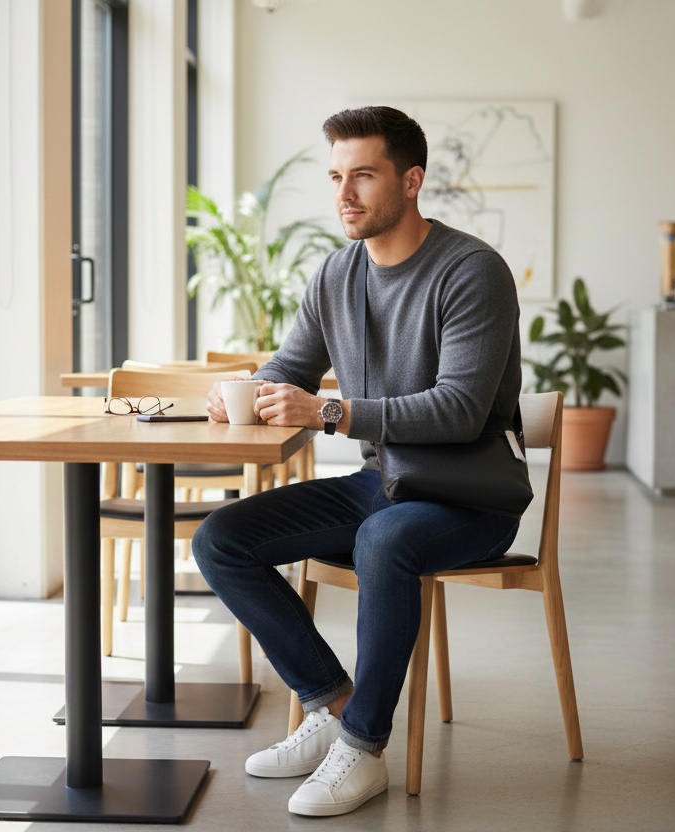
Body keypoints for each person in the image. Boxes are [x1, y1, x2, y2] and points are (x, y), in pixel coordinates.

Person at [192, 106, 525, 818]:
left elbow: (461, 408)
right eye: (337, 176)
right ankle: (333, 705)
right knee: (220, 539)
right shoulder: (337, 275)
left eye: (363, 176)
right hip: (382, 484)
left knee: (385, 538)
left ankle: (364, 749)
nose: (344, 194)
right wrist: (239, 396)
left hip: (468, 500)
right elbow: (291, 370)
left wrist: (332, 413)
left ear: (411, 181)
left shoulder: (472, 272)